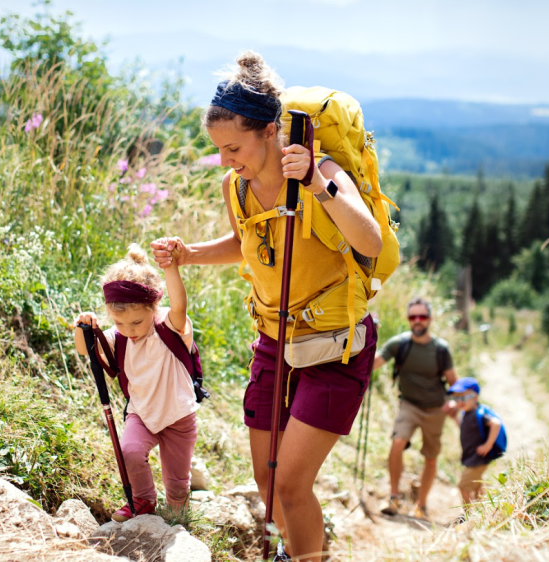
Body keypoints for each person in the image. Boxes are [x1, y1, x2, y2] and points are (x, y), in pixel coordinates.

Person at [150, 50, 382, 561]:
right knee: (267, 478)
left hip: (333, 345)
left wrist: (317, 185)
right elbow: (244, 243)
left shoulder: (320, 170)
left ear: (272, 131)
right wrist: (190, 254)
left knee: (293, 485)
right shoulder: (237, 185)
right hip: (274, 341)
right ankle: (294, 551)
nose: (226, 159)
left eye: (234, 147)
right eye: (219, 150)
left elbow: (369, 241)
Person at [73, 245, 198, 522]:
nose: (129, 330)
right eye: (119, 322)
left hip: (178, 415)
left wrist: (170, 268)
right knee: (129, 450)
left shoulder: (169, 326)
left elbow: (179, 305)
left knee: (177, 482)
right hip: (141, 412)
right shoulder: (119, 336)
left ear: (154, 308)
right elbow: (85, 349)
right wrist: (81, 327)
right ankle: (143, 501)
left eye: (136, 322)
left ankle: (179, 516)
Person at [372, 297, 458, 519]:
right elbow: (374, 363)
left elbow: (454, 383)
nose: (417, 321)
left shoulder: (440, 349)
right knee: (397, 442)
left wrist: (455, 402)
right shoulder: (399, 344)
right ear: (408, 320)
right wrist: (368, 337)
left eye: (422, 316)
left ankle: (422, 505)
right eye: (413, 317)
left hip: (435, 409)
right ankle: (394, 497)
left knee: (431, 457)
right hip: (409, 405)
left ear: (430, 319)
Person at [444, 377, 506, 509]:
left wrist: (487, 445)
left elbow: (496, 424)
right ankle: (482, 510)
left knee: (463, 486)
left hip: (479, 457)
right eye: (456, 399)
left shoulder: (479, 414)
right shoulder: (467, 414)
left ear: (475, 397)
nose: (460, 402)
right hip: (473, 457)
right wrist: (455, 418)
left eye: (463, 398)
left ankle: (468, 514)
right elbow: (464, 428)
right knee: (477, 484)